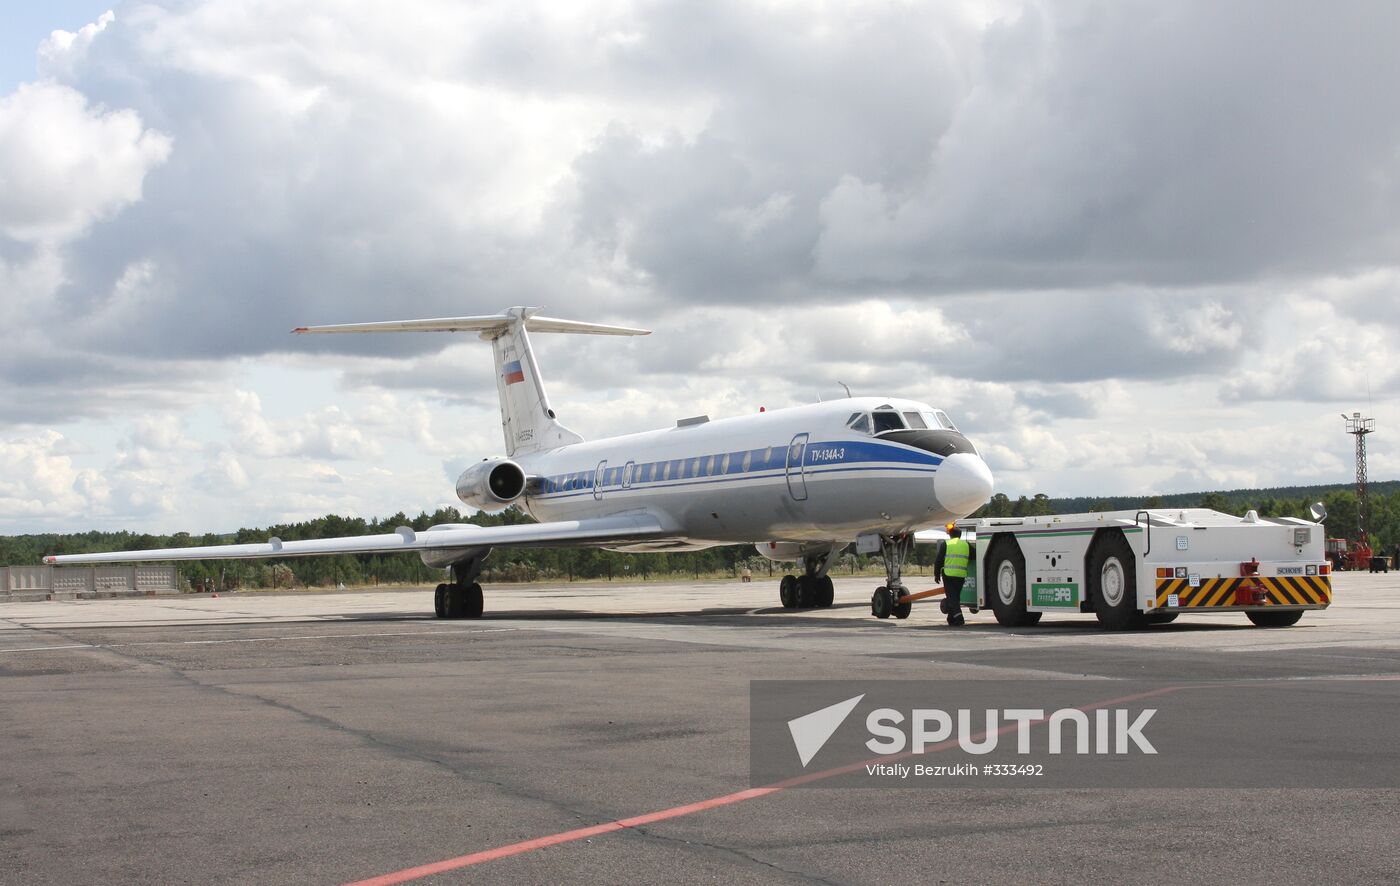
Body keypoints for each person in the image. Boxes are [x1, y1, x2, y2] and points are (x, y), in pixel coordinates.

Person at [935, 526, 971, 626]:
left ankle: (959, 618)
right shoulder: (966, 545)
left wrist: (936, 574)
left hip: (949, 575)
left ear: (950, 535)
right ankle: (951, 618)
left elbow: (938, 560)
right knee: (955, 597)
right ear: (960, 535)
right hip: (961, 575)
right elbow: (973, 555)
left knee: (952, 598)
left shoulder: (946, 544)